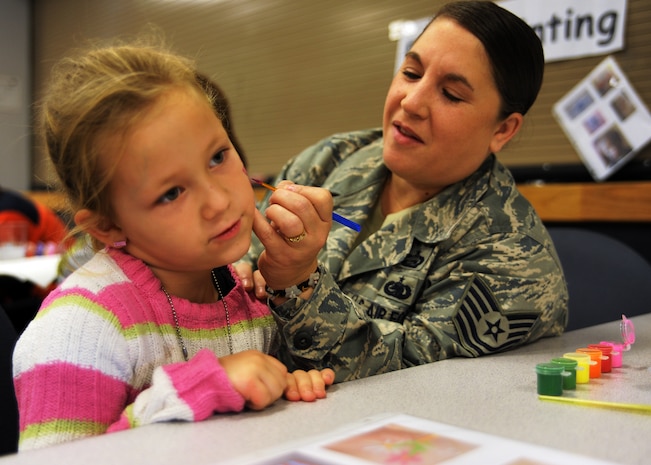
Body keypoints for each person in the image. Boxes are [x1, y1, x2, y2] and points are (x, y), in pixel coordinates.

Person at [12, 39, 333, 451]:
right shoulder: (79, 331)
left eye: (218, 157)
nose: (219, 202)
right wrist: (197, 389)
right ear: (108, 226)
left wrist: (282, 387)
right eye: (171, 193)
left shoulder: (246, 298)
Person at [237, 0, 568, 382]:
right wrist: (232, 272)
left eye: (451, 94)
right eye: (411, 73)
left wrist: (298, 283)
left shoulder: (513, 258)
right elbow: (243, 254)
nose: (411, 102)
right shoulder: (330, 161)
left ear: (502, 130)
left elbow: (407, 379)